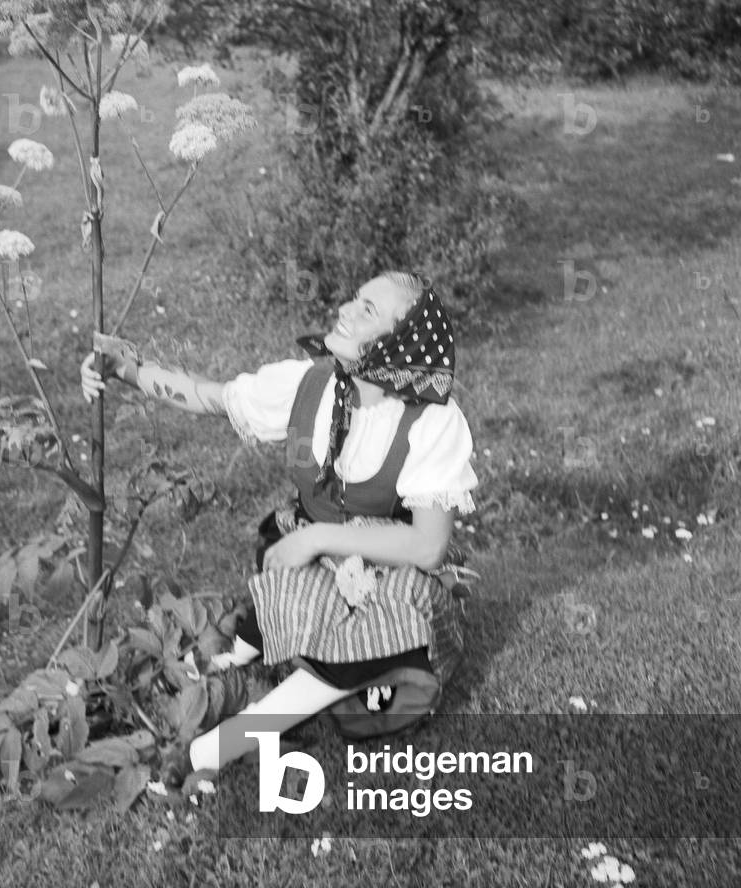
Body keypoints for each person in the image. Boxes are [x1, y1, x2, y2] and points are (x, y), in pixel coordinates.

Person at [80, 271, 478, 772]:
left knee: (383, 655)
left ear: (403, 339)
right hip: (313, 561)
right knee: (312, 620)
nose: (346, 309)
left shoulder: (432, 421)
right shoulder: (308, 384)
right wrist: (125, 369)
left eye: (369, 310)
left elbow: (427, 547)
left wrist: (315, 536)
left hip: (392, 568)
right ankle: (251, 652)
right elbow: (211, 396)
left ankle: (223, 744)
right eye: (354, 297)